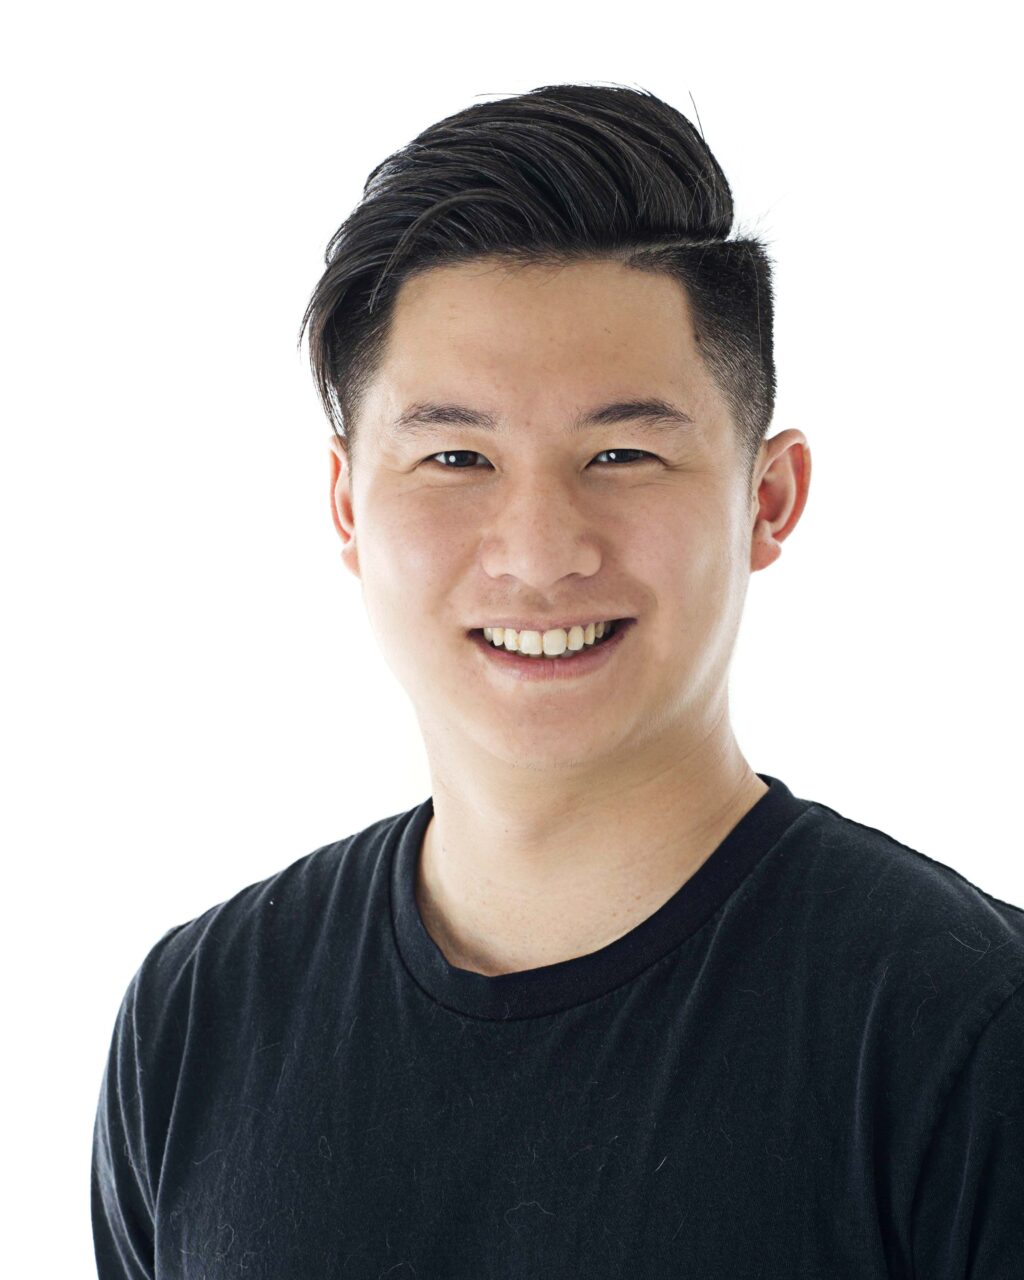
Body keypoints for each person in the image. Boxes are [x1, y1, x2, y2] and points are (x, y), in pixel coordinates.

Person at [92, 83, 1024, 1277]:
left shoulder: (965, 1032)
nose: (537, 553)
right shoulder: (195, 1020)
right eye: (456, 456)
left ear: (768, 498)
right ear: (347, 505)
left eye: (621, 452)